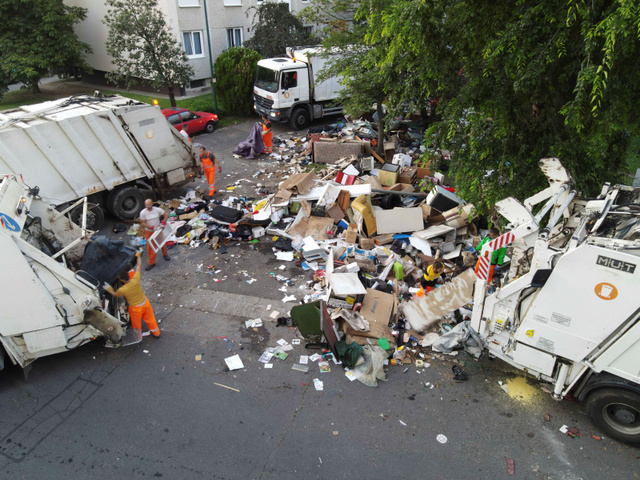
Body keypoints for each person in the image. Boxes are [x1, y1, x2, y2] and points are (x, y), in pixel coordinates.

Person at [104, 251, 160, 338]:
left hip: (135, 309)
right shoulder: (136, 279)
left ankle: (138, 337)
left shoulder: (123, 289)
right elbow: (138, 266)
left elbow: (115, 295)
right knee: (151, 319)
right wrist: (138, 256)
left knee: (136, 324)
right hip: (145, 303)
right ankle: (156, 333)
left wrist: (109, 289)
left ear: (122, 280)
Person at [139, 199, 169, 271]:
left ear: (152, 204)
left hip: (158, 230)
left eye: (149, 204)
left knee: (161, 243)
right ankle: (151, 262)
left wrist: (164, 222)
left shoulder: (157, 210)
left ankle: (165, 254)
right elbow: (143, 223)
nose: (148, 206)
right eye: (146, 205)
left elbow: (166, 214)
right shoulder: (143, 212)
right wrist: (151, 227)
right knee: (150, 247)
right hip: (149, 231)